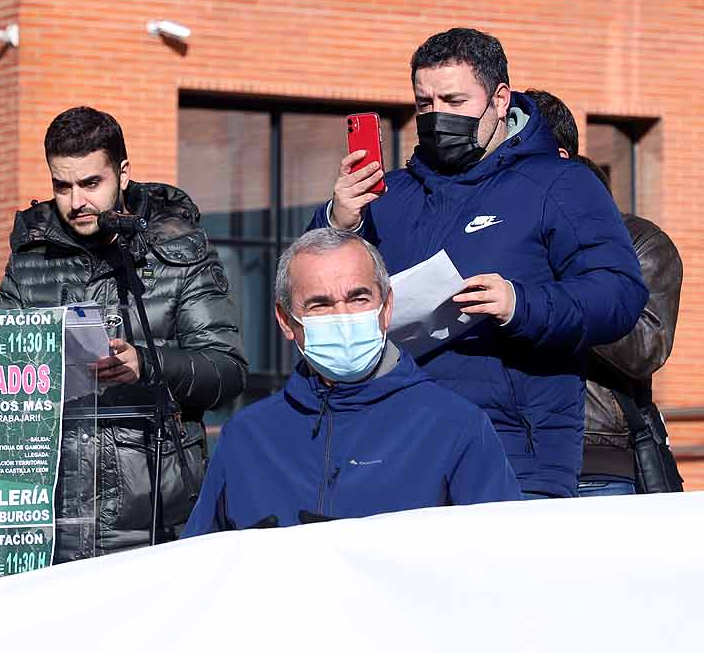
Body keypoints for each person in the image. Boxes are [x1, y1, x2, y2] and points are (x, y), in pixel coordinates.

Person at [314, 28, 646, 497]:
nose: (436, 117)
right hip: (394, 448)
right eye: (424, 103)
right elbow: (314, 297)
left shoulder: (560, 183)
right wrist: (338, 224)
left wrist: (520, 304)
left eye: (454, 100)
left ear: (499, 99)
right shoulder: (388, 197)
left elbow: (620, 295)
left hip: (514, 455)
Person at [0, 106, 247, 556]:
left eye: (91, 184)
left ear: (123, 173)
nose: (76, 202)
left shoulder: (179, 251)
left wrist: (147, 364)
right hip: (52, 520)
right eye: (62, 186)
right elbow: (2, 375)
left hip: (155, 518)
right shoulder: (29, 260)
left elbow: (226, 371)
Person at [184, 229, 521, 535]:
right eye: (320, 304)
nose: (343, 317)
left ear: (386, 307)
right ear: (287, 321)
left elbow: (497, 560)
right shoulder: (246, 437)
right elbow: (199, 569)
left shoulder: (455, 427)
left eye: (358, 298)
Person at [523, 89, 684, 496]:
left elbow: (646, 346)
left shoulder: (638, 240)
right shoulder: (492, 232)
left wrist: (550, 291)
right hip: (500, 451)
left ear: (558, 160)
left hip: (593, 461)